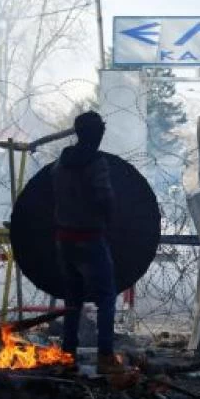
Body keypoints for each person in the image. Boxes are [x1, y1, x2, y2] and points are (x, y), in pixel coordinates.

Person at [51, 110, 123, 374]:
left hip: (64, 239)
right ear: (98, 134)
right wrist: (111, 223)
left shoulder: (61, 163)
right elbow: (104, 197)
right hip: (90, 238)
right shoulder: (96, 162)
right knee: (106, 298)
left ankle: (68, 353)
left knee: (73, 299)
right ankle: (105, 356)